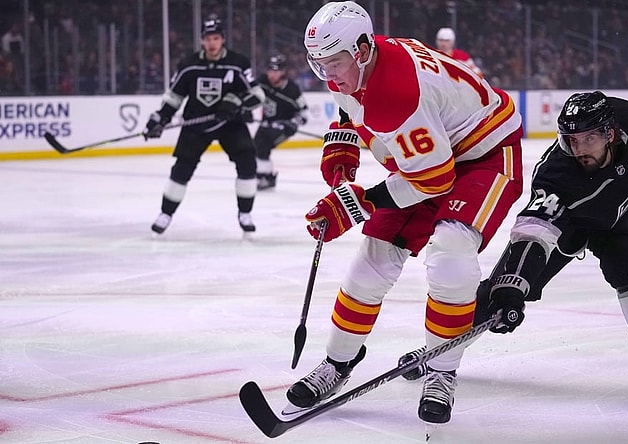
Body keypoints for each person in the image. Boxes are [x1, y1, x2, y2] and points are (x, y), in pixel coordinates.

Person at [286, 1, 524, 425]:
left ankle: (442, 370)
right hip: (432, 155)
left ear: (361, 50)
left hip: (485, 156)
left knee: (452, 252)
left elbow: (433, 182)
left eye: (334, 63)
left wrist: (355, 204)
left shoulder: (397, 95)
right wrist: (342, 136)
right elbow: (350, 101)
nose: (328, 75)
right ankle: (338, 362)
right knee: (371, 261)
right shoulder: (356, 61)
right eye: (318, 65)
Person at [482, 91, 628, 406]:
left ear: (610, 133)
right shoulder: (555, 174)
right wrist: (513, 284)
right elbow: (534, 230)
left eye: (588, 139)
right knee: (498, 292)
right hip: (568, 224)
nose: (579, 149)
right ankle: (442, 344)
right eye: (572, 140)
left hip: (618, 219)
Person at [144, 18, 264, 235]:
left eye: (216, 38)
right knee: (182, 168)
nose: (212, 43)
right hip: (196, 123)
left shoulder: (238, 63)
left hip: (230, 123)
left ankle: (245, 213)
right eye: (208, 39)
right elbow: (174, 96)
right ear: (202, 40)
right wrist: (159, 118)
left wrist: (236, 103)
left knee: (247, 162)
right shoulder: (189, 64)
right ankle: (165, 213)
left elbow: (257, 95)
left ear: (223, 39)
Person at [252, 54, 309, 190]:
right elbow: (249, 94)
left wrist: (293, 123)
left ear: (283, 72)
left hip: (285, 126)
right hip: (266, 124)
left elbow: (304, 113)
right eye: (270, 70)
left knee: (263, 145)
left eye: (276, 71)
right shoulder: (262, 82)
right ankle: (267, 176)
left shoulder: (292, 89)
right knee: (256, 147)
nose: (272, 74)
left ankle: (264, 177)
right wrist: (244, 111)